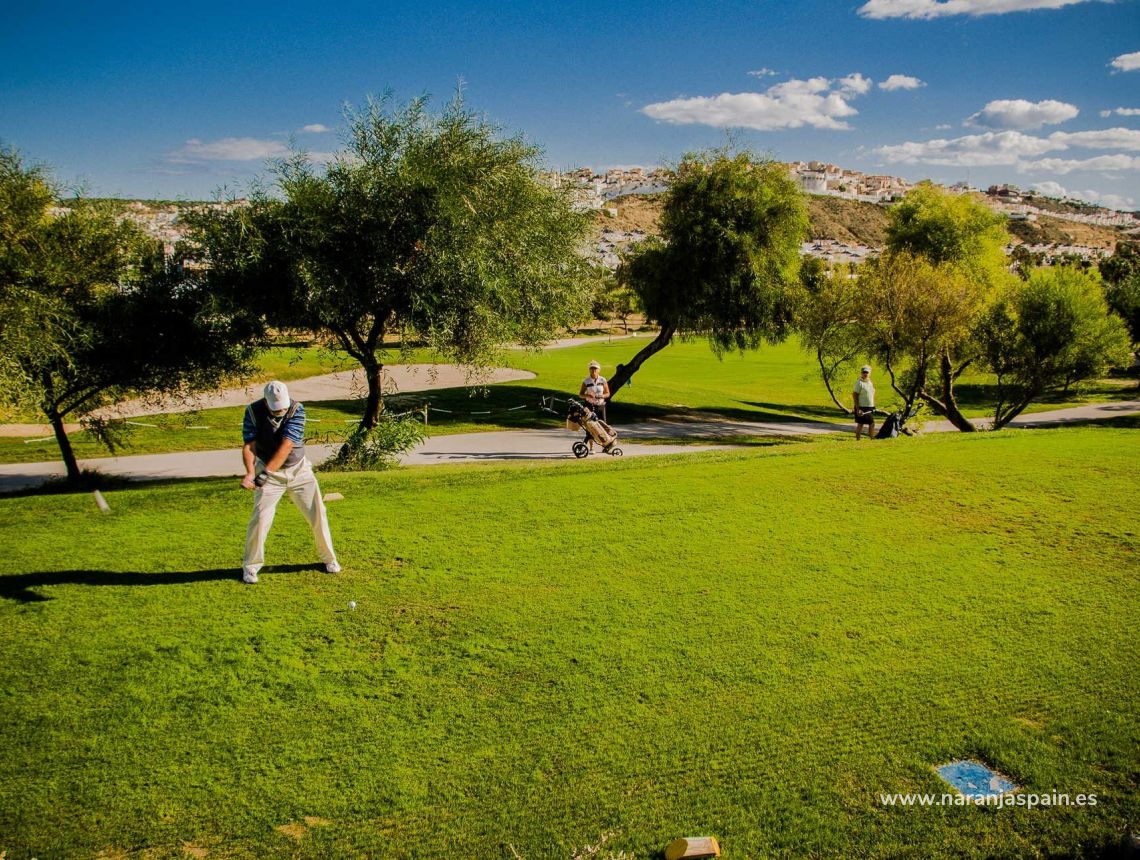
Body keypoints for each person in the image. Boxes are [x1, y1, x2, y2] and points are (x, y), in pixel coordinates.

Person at [240, 381, 340, 584]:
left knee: (318, 514)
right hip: (268, 472)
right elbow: (249, 445)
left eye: (283, 406)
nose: (281, 410)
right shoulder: (252, 411)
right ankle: (250, 567)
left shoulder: (297, 409)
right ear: (266, 402)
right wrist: (250, 473)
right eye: (276, 407)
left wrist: (265, 473)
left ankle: (329, 559)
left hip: (299, 471)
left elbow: (286, 446)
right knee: (259, 519)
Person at [852, 365, 876, 440]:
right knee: (870, 423)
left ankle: (859, 439)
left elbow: (871, 394)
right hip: (862, 407)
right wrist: (858, 408)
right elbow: (855, 395)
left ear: (869, 373)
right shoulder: (859, 382)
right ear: (861, 373)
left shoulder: (870, 382)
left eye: (867, 372)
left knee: (862, 424)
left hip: (869, 406)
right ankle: (871, 438)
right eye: (864, 372)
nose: (865, 374)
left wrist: (873, 405)